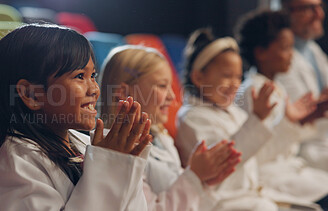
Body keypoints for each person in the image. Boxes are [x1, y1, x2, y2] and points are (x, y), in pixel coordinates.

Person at [0, 23, 153, 211]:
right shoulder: (15, 169)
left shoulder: (83, 144)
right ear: (32, 95)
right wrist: (108, 167)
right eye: (80, 76)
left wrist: (123, 164)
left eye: (93, 75)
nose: (95, 89)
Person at [99, 45, 241, 211]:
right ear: (124, 92)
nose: (172, 96)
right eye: (161, 86)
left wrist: (203, 182)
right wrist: (194, 177)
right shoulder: (113, 152)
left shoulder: (162, 138)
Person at [175, 29, 281, 211]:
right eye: (226, 75)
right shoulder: (192, 117)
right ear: (199, 77)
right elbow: (221, 163)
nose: (235, 84)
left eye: (238, 77)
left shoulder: (234, 112)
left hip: (249, 197)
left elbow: (258, 154)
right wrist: (256, 120)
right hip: (220, 203)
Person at [236, 9, 328, 210]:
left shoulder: (275, 87)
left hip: (288, 168)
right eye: (285, 48)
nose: (292, 56)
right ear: (261, 52)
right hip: (267, 175)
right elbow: (256, 152)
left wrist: (307, 118)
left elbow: (284, 140)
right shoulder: (253, 91)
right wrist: (295, 122)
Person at [276, 0, 328, 172]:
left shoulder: (312, 50)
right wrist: (318, 107)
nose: (319, 14)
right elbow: (302, 112)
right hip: (304, 149)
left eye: (319, 6)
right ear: (286, 12)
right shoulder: (278, 61)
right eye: (309, 8)